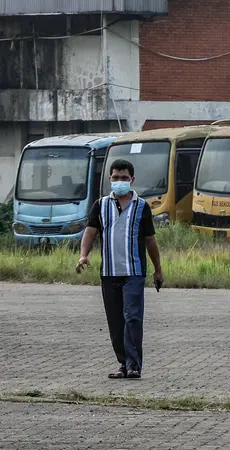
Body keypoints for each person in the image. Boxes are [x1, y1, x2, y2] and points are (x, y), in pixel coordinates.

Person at [75, 159, 163, 379]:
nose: (120, 181)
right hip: (109, 273)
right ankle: (124, 364)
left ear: (132, 180)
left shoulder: (142, 207)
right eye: (116, 177)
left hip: (133, 272)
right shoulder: (100, 205)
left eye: (124, 178)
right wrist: (83, 255)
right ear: (109, 179)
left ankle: (134, 366)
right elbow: (90, 232)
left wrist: (158, 269)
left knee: (132, 317)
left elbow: (150, 240)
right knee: (115, 322)